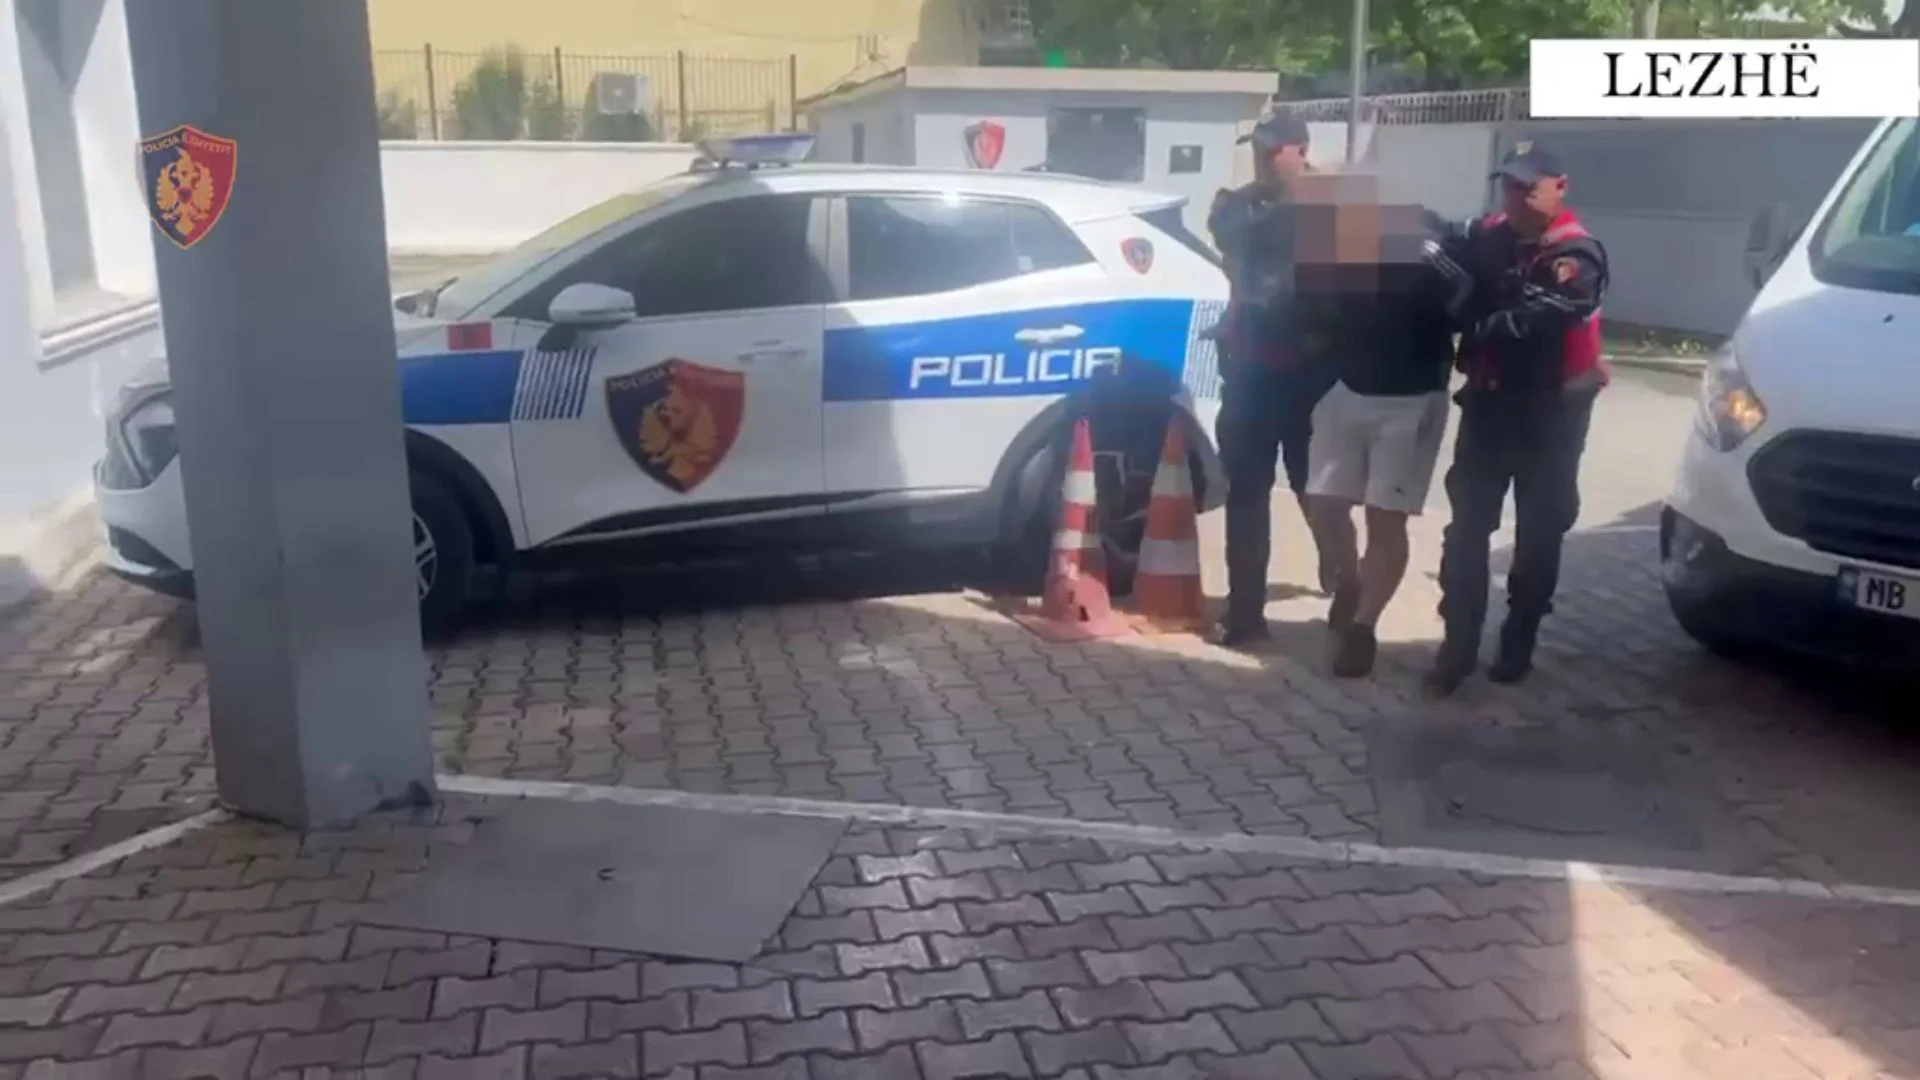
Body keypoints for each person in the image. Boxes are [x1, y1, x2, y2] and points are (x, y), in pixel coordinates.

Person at [1425, 141, 1610, 695]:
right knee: (1466, 530)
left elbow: (1532, 322)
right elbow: (1443, 239)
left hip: (1551, 415)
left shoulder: (1576, 255)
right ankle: (1457, 648)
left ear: (1560, 187)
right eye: (1508, 186)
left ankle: (1518, 641)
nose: (1516, 197)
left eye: (1528, 187)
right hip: (1489, 405)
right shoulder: (1491, 234)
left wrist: (1472, 313)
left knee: (1539, 533)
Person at [1293, 182, 1472, 678]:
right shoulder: (1332, 251)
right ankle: (1350, 582)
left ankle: (1363, 629)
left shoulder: (1426, 245)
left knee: (1384, 519)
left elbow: (1467, 295)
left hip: (1411, 400)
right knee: (1324, 504)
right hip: (1347, 390)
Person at [1205, 110, 1339, 648]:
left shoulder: (1332, 207)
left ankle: (1340, 572)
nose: (1261, 158)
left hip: (1313, 377)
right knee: (1246, 495)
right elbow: (1235, 237)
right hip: (1251, 373)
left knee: (1319, 491)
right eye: (1257, 149)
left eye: (1271, 149)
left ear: (1300, 150)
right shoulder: (1238, 206)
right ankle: (1245, 613)